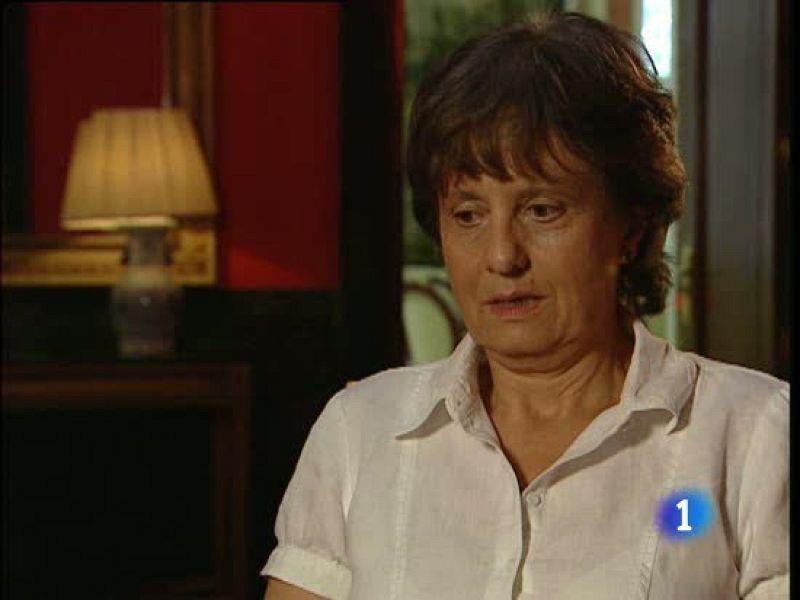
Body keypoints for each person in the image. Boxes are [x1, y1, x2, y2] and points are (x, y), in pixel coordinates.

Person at [262, 10, 788, 600]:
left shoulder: (752, 434)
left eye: (542, 210)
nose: (502, 256)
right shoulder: (361, 431)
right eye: (468, 215)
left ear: (632, 227)